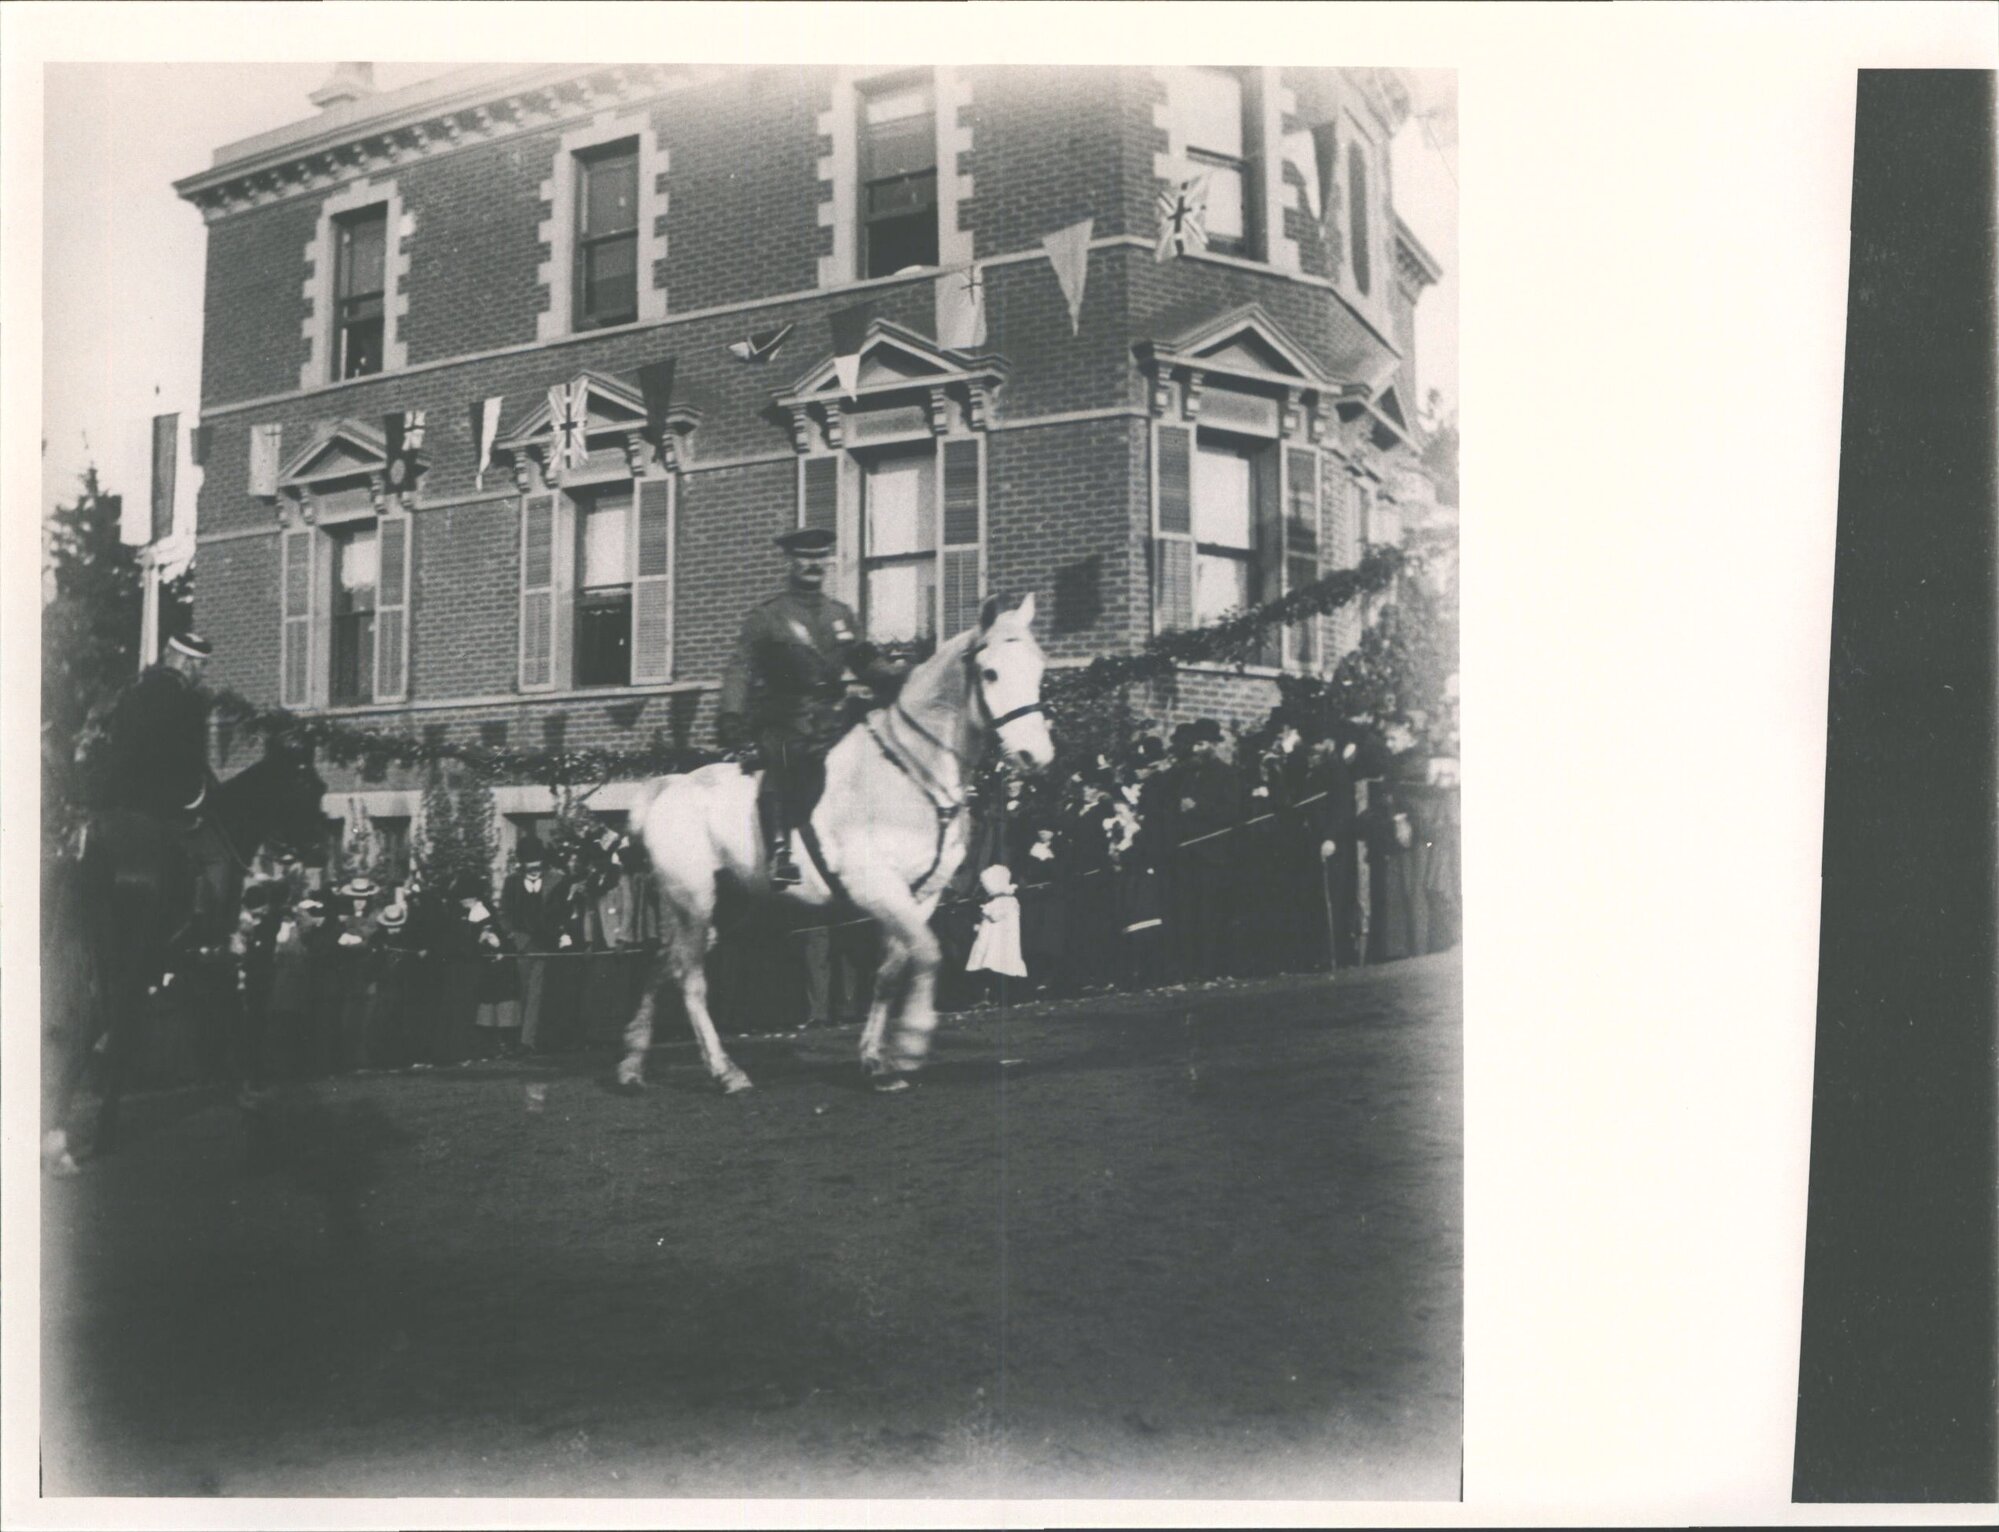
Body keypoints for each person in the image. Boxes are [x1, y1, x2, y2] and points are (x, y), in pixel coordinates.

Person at [714, 526, 903, 886]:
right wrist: (731, 715)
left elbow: (865, 662)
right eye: (805, 557)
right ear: (791, 560)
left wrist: (898, 677)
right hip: (784, 715)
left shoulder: (841, 614)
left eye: (820, 557)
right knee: (786, 763)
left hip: (832, 715)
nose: (814, 564)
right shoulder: (769, 617)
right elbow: (741, 667)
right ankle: (780, 852)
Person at [95, 631, 234, 946]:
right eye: (201, 666)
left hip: (119, 802)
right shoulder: (188, 700)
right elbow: (189, 761)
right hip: (165, 807)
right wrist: (199, 799)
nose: (203, 674)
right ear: (185, 662)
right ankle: (203, 933)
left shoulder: (131, 691)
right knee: (218, 857)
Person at [501, 836, 571, 1054]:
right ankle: (529, 1037)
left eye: (537, 867)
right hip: (523, 944)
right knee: (525, 991)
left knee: (538, 992)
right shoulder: (512, 882)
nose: (534, 871)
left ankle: (528, 1041)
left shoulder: (557, 880)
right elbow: (505, 913)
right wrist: (514, 936)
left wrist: (556, 934)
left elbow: (562, 911)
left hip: (546, 943)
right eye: (529, 867)